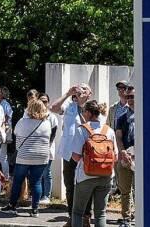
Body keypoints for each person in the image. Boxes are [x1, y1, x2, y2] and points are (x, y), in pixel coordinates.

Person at [70, 101, 118, 227]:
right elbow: (116, 156)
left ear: (88, 112)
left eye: (83, 111)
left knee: (77, 212)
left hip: (85, 176)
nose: (83, 114)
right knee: (101, 213)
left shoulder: (82, 130)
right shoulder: (109, 130)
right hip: (106, 176)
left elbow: (76, 156)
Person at [3, 98, 53, 217]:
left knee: (18, 181)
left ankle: (12, 206)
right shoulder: (47, 123)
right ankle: (35, 209)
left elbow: (16, 133)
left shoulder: (22, 122)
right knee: (36, 182)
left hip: (24, 155)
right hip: (41, 156)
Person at [51, 83, 92, 222]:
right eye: (79, 88)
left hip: (86, 153)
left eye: (84, 89)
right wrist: (68, 94)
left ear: (90, 94)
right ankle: (72, 215)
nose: (81, 90)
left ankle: (86, 215)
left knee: (86, 184)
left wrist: (82, 104)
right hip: (69, 152)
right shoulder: (69, 106)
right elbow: (53, 108)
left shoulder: (92, 107)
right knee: (69, 184)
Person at [114, 86, 136, 227]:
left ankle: (140, 217)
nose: (129, 99)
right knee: (125, 190)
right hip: (125, 156)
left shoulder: (145, 114)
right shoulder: (122, 117)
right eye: (127, 97)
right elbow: (118, 136)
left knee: (140, 189)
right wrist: (122, 151)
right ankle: (126, 218)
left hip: (140, 157)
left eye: (132, 96)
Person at [38, 93, 59, 206]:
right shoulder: (35, 115)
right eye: (41, 101)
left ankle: (47, 195)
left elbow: (53, 133)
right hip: (36, 148)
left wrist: (47, 145)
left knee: (46, 172)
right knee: (38, 173)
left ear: (48, 103)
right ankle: (39, 194)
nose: (43, 103)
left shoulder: (52, 116)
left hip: (47, 148)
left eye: (45, 101)